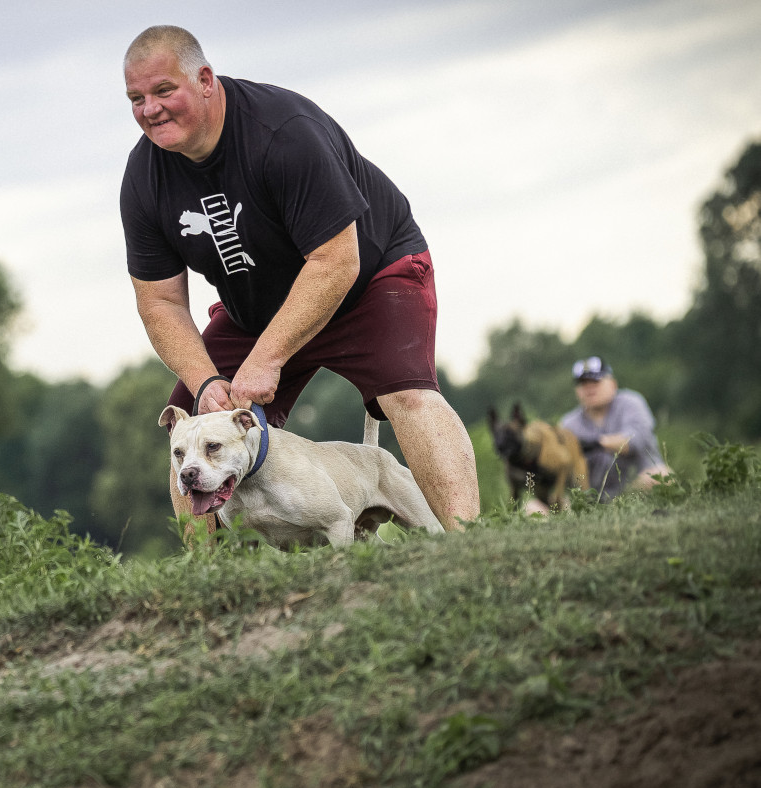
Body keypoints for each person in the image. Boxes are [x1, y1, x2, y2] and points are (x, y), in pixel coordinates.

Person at [119, 25, 479, 532]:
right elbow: (160, 302)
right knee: (191, 416)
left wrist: (267, 358)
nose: (150, 109)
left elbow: (336, 261)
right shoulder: (144, 178)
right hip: (257, 307)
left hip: (369, 277)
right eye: (136, 99)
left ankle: (469, 543)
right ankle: (210, 572)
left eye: (163, 90)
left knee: (407, 394)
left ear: (204, 79)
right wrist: (205, 382)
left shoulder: (282, 133)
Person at [559, 356, 673, 499]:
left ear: (613, 384)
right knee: (536, 506)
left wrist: (596, 443)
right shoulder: (568, 423)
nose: (589, 388)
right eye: (583, 383)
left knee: (661, 475)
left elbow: (637, 441)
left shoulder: (631, 403)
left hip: (635, 488)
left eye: (595, 381)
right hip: (592, 497)